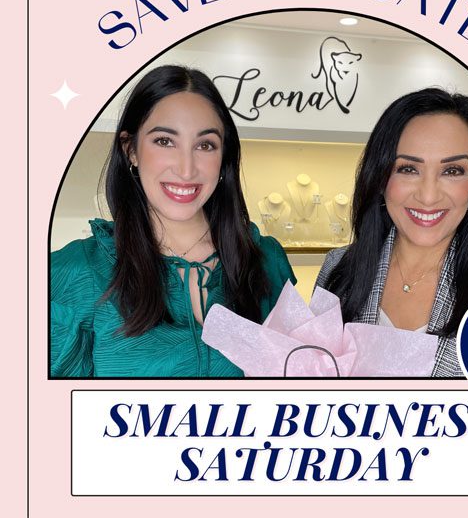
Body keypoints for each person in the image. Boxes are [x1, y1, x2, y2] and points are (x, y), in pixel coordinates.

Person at [51, 65, 296, 377]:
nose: (186, 168)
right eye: (165, 141)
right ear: (131, 150)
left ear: (224, 158)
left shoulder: (266, 260)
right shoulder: (72, 274)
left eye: (205, 145)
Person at [315, 88, 468, 377]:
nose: (428, 196)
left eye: (452, 171)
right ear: (380, 176)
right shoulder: (339, 267)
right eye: (407, 169)